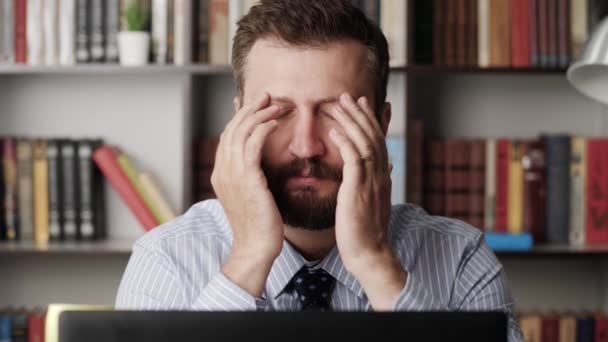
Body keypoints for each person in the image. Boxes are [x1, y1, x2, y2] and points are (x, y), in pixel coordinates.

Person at [116, 1, 523, 340]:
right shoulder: (166, 260)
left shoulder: (460, 260)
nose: (306, 146)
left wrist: (375, 261)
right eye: (281, 111)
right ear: (240, 124)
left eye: (333, 113)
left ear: (380, 125)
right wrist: (248, 259)